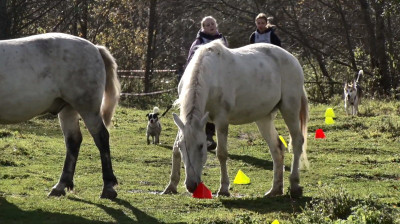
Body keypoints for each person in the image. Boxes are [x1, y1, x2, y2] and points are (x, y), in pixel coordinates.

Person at [184, 16, 228, 150]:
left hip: (219, 81)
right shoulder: (198, 41)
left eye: (213, 23)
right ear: (203, 28)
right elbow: (191, 60)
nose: (211, 26)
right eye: (207, 25)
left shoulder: (222, 40)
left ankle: (209, 136)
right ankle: (197, 134)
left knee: (214, 110)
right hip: (203, 82)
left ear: (216, 25)